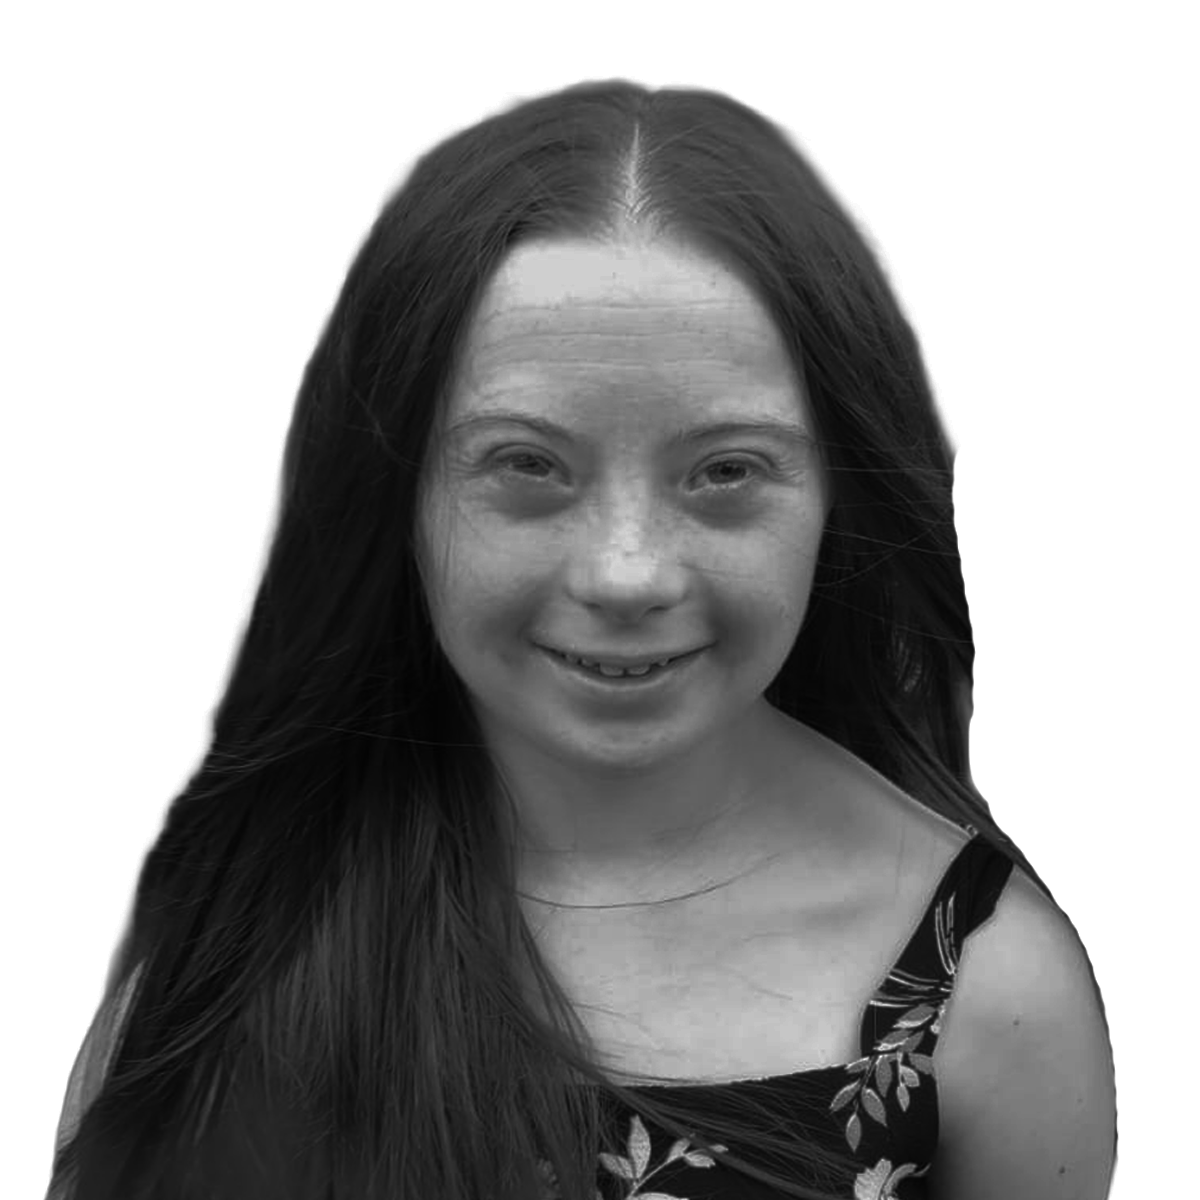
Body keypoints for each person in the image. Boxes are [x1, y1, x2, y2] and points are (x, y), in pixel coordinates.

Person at [45, 79, 1117, 1200]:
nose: (625, 572)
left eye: (726, 471)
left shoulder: (990, 1001)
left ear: (836, 500)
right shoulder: (232, 937)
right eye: (527, 465)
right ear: (395, 493)